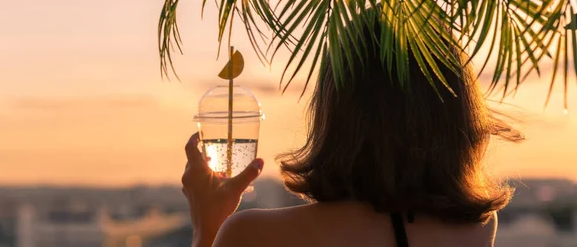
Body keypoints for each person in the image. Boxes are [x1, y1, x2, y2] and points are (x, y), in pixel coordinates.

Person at [181, 15, 522, 247]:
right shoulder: (474, 230)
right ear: (456, 114)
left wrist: (206, 226)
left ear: (334, 114)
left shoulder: (254, 235)